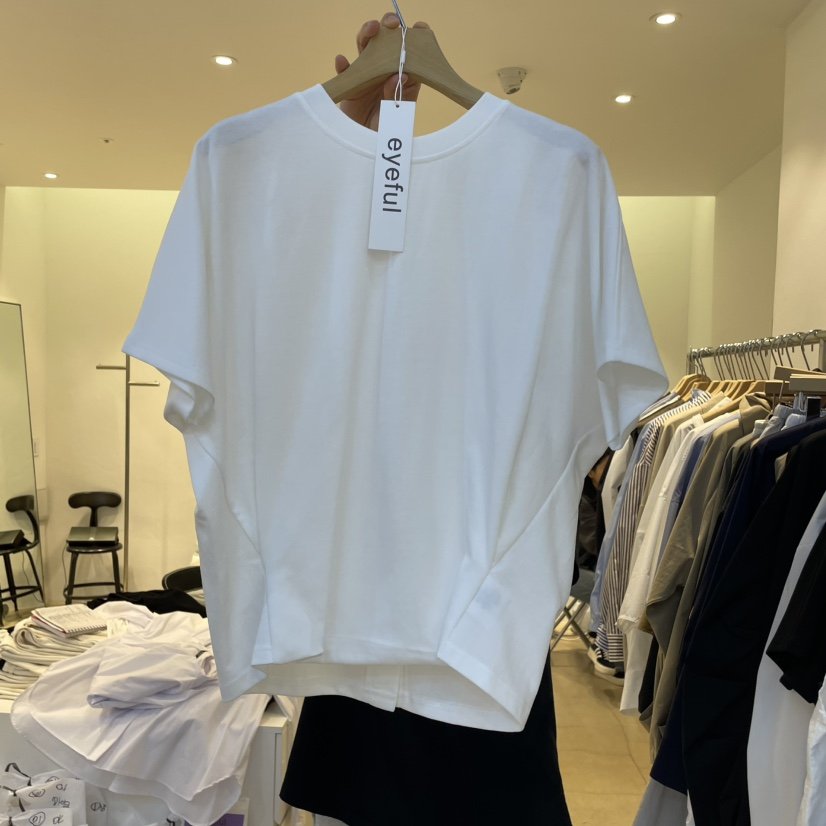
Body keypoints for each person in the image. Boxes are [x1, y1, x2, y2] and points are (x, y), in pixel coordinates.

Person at [279, 16, 573, 826]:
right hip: (359, 622)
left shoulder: (551, 194)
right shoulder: (309, 229)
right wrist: (351, 149)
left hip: (474, 638)